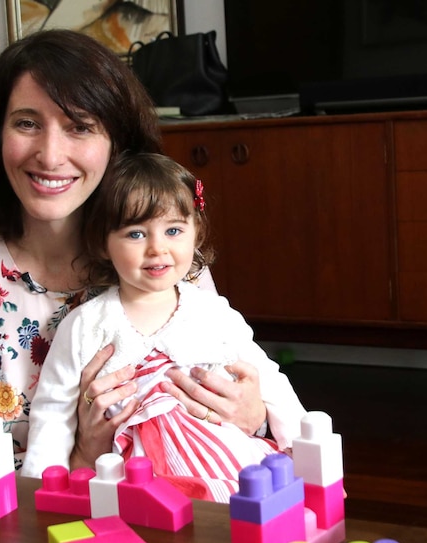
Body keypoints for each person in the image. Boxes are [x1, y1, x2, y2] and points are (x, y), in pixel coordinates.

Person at [0, 29, 271, 473]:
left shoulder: (168, 265)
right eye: (27, 123)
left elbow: (241, 420)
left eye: (80, 126)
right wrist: (82, 456)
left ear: (118, 145)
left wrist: (255, 417)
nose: (50, 155)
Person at [22, 153, 307, 502]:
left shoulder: (214, 314)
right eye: (136, 234)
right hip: (133, 478)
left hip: (222, 463)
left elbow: (269, 382)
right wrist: (38, 492)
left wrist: (302, 449)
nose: (157, 248)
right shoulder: (85, 325)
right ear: (103, 244)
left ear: (195, 233)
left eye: (173, 230)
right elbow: (52, 415)